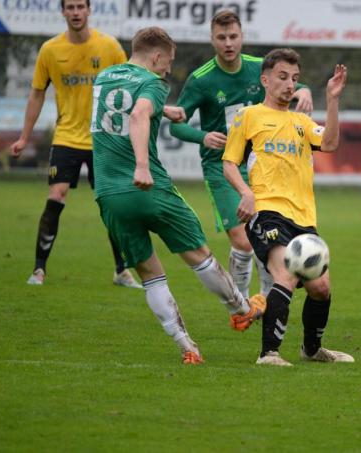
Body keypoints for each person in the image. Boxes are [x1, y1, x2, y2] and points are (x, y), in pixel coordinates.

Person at [91, 26, 266, 364]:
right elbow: (140, 113)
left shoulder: (106, 76)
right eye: (167, 63)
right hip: (148, 188)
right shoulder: (154, 84)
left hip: (108, 193)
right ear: (156, 57)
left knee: (150, 275)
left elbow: (122, 108)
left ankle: (187, 347)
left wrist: (166, 109)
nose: (168, 70)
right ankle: (241, 309)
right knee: (199, 255)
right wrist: (141, 165)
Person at [169, 10, 314, 299]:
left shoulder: (258, 68)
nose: (228, 43)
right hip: (222, 166)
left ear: (242, 37)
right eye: (221, 37)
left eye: (233, 36)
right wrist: (202, 136)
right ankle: (239, 300)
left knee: (266, 236)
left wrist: (306, 90)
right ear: (212, 40)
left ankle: (264, 298)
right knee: (243, 239)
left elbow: (292, 83)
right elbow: (177, 127)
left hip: (261, 165)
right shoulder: (201, 80)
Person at [222, 49, 353, 367]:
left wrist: (332, 99)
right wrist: (245, 192)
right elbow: (228, 163)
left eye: (294, 78)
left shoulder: (301, 122)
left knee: (321, 288)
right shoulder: (248, 116)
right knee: (286, 274)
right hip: (266, 211)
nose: (289, 84)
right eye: (282, 77)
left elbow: (332, 144)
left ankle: (311, 349)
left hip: (304, 219)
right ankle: (269, 353)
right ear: (265, 79)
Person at [9, 0, 139, 288]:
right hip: (66, 137)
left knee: (112, 205)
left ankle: (121, 270)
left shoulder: (109, 47)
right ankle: (39, 270)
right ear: (63, 12)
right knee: (56, 195)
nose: (76, 12)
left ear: (89, 10)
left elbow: (132, 86)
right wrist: (24, 137)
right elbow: (37, 94)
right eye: (70, 7)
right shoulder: (50, 50)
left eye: (81, 6)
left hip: (103, 138)